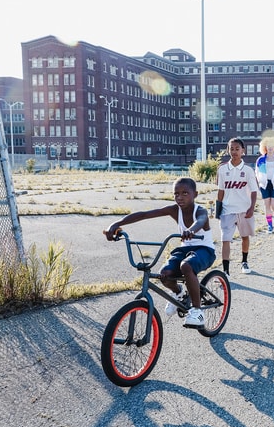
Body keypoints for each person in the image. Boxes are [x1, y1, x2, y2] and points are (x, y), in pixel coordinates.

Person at [103, 177, 215, 328]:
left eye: (185, 193)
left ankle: (197, 311)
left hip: (204, 250)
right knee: (165, 274)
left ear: (195, 194)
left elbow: (200, 220)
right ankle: (178, 292)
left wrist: (191, 230)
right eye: (176, 194)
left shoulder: (199, 211)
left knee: (186, 266)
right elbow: (144, 214)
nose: (179, 197)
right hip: (184, 249)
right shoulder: (174, 210)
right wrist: (116, 223)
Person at [216, 138, 258, 277]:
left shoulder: (248, 170)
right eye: (231, 149)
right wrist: (218, 208)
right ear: (228, 150)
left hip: (244, 210)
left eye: (237, 149)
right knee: (225, 239)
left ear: (243, 151)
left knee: (245, 237)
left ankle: (244, 262)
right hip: (227, 210)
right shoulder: (222, 169)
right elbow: (221, 190)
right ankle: (225, 271)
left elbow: (253, 191)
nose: (234, 151)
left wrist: (251, 208)